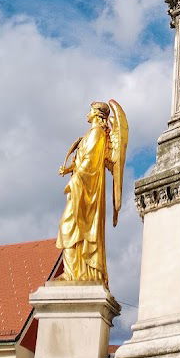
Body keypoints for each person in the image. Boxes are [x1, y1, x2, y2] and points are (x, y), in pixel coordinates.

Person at [56, 99, 128, 286]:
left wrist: (76, 178)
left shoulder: (97, 134)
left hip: (86, 189)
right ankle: (74, 272)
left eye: (89, 110)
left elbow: (90, 163)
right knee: (69, 226)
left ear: (96, 113)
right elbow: (83, 159)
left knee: (69, 225)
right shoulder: (91, 134)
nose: (86, 114)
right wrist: (70, 169)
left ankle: (81, 272)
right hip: (81, 184)